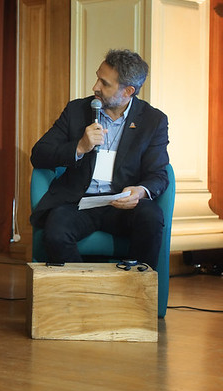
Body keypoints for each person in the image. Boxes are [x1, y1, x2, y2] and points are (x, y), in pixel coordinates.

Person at [30, 49, 170, 270]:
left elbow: (159, 174)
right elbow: (39, 154)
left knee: (151, 217)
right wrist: (79, 147)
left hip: (122, 206)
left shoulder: (153, 121)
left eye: (104, 83)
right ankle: (88, 293)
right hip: (79, 201)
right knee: (56, 231)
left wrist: (140, 191)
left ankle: (135, 295)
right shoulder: (77, 110)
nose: (95, 87)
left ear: (128, 91)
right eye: (97, 78)